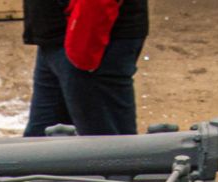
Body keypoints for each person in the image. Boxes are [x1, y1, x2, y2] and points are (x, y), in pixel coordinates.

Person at [22, 0, 149, 137]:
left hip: (90, 33)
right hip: (55, 34)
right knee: (41, 140)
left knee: (103, 142)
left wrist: (85, 40)